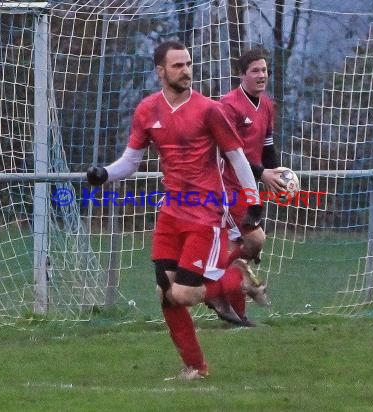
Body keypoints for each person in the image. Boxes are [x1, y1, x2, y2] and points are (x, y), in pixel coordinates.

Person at [86, 41, 267, 380]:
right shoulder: (147, 110)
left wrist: (254, 201)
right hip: (171, 213)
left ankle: (232, 281)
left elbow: (237, 158)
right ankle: (195, 367)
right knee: (165, 294)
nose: (186, 71)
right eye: (178, 66)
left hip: (205, 214)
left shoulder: (209, 110)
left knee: (183, 293)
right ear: (160, 71)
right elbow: (131, 161)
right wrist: (105, 174)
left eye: (188, 64)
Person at [216, 47, 288, 326]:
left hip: (249, 187)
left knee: (236, 245)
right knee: (254, 240)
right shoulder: (228, 105)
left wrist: (275, 173)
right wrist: (262, 173)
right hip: (227, 186)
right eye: (255, 70)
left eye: (264, 70)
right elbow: (230, 151)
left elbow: (267, 146)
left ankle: (236, 314)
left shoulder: (267, 105)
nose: (261, 76)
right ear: (242, 74)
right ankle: (235, 281)